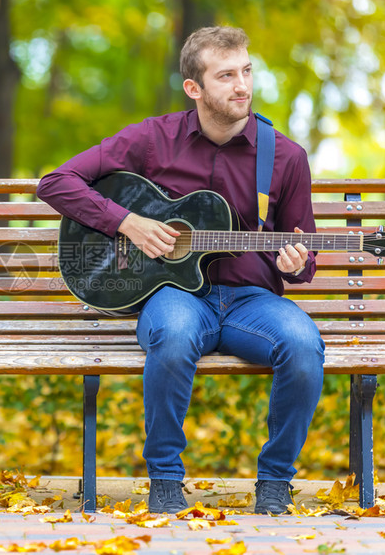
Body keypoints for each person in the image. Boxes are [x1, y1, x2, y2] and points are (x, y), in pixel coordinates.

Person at [36, 26, 324, 515]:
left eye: (247, 71)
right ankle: (165, 480)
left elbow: (304, 259)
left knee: (302, 345)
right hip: (173, 293)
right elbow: (56, 182)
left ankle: (275, 482)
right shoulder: (153, 140)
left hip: (250, 300)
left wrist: (296, 263)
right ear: (194, 88)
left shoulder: (285, 157)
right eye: (226, 75)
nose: (243, 86)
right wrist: (127, 222)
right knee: (173, 334)